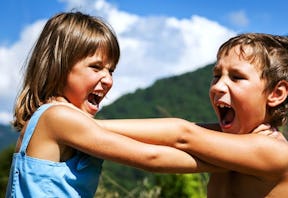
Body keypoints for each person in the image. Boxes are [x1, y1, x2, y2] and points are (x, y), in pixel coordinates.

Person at [6, 11, 223, 197]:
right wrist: (235, 160)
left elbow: (173, 134)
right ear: (59, 67)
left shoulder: (56, 119)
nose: (108, 80)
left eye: (111, 70)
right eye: (96, 67)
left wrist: (231, 137)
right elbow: (152, 157)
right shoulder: (58, 118)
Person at [97, 33, 288, 197]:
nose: (218, 86)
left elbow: (182, 135)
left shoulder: (276, 153)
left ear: (276, 94)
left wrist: (84, 125)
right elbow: (160, 148)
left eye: (237, 77)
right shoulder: (229, 140)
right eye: (216, 76)